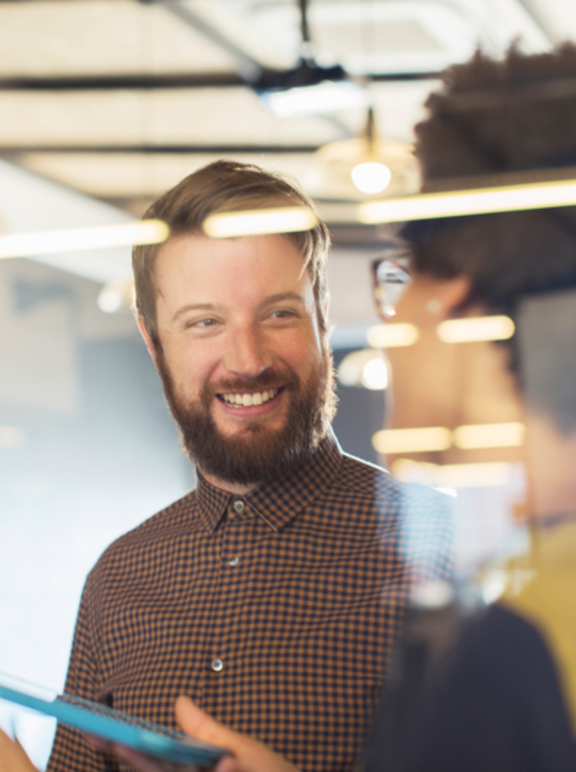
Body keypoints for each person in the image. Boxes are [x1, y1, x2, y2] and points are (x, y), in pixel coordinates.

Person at [10, 161, 448, 772]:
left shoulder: (446, 550)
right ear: (153, 340)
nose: (246, 358)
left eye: (278, 313)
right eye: (205, 323)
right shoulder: (116, 580)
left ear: (324, 317)